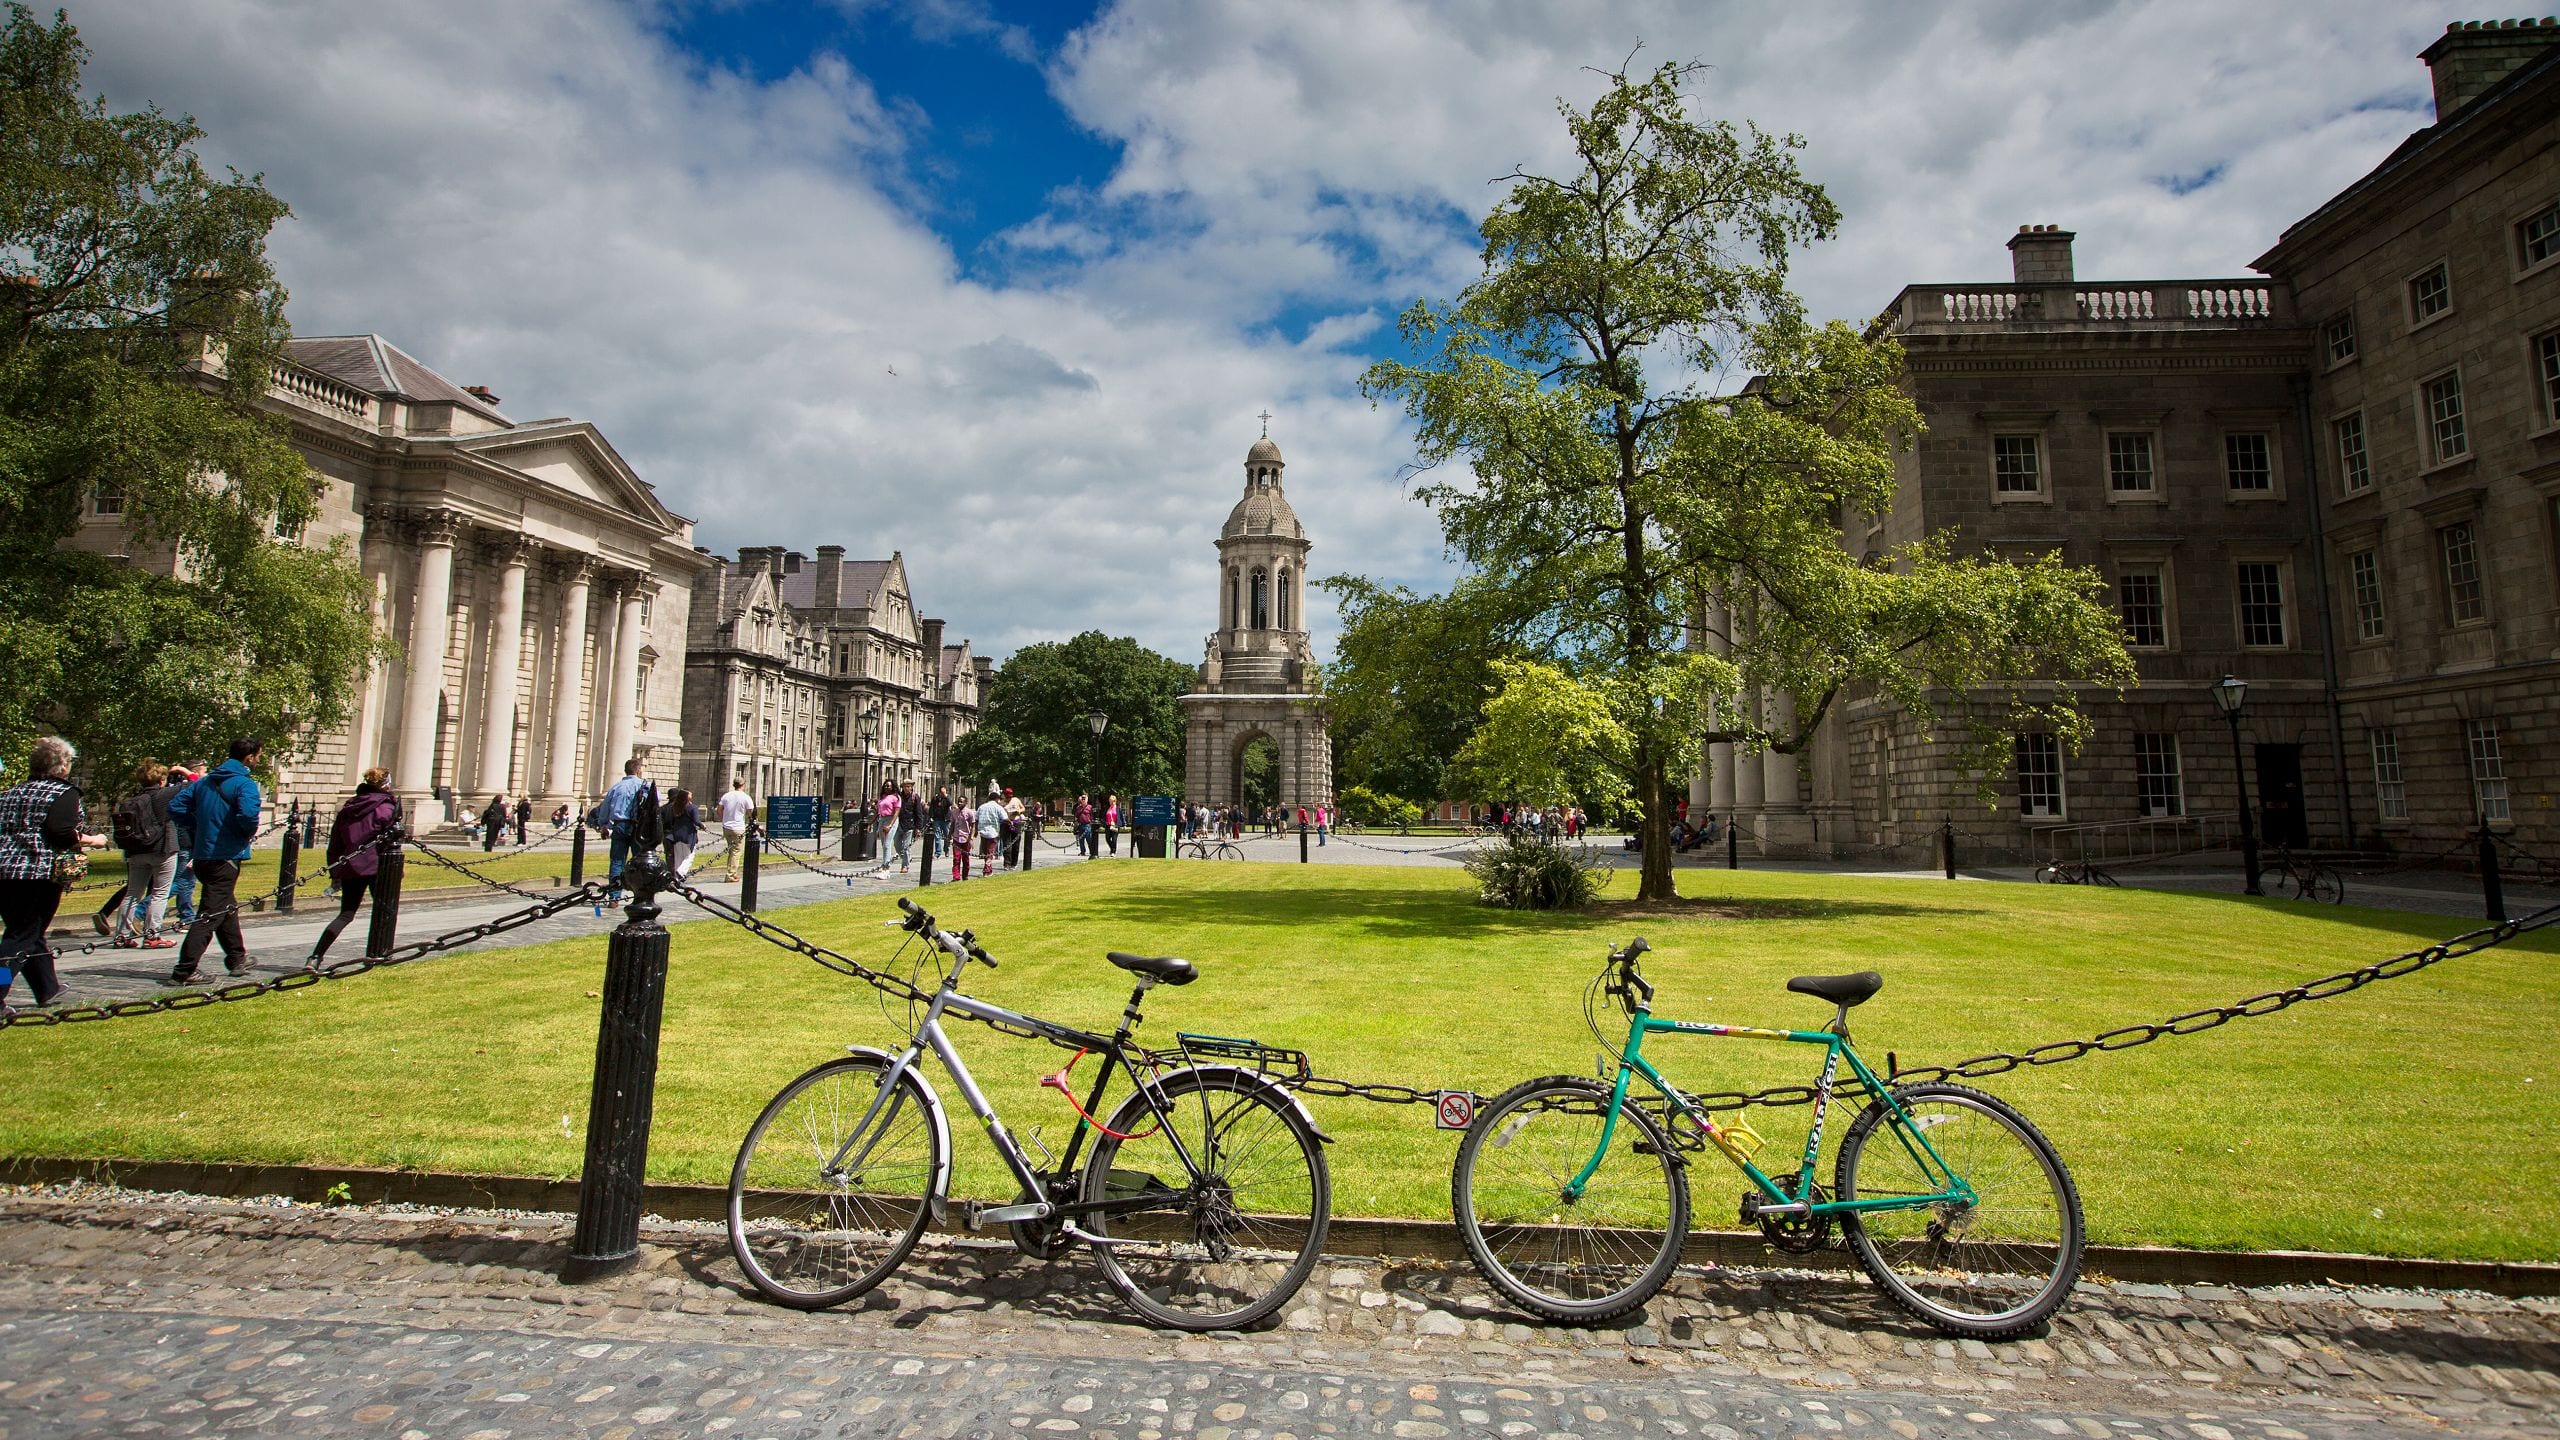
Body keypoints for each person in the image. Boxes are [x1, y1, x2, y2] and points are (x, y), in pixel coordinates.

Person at [0, 736, 110, 1012]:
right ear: (61, 766)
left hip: (5, 872)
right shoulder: (63, 793)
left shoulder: (12, 793)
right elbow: (60, 833)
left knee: (28, 933)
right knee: (18, 938)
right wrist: (92, 840)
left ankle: (48, 988)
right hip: (38, 873)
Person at [165, 737, 265, 984]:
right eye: (258, 756)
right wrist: (242, 833)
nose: (259, 760)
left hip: (203, 856)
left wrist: (198, 825)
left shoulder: (205, 782)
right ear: (249, 757)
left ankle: (237, 958)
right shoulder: (244, 784)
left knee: (226, 907)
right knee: (210, 914)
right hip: (226, 856)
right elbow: (249, 816)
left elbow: (176, 806)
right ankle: (185, 969)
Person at [306, 768, 402, 966]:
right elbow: (391, 840)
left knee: (346, 913)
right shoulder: (386, 808)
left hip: (351, 865)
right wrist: (397, 869)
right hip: (378, 867)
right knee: (385, 910)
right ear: (386, 784)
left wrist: (335, 871)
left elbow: (336, 842)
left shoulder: (349, 807)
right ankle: (381, 953)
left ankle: (315, 956)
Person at [109, 760, 182, 950]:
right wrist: (183, 770)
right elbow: (195, 782)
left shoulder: (131, 800)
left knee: (132, 893)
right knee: (160, 893)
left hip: (137, 850)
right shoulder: (162, 796)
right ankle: (152, 935)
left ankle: (121, 935)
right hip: (162, 848)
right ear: (162, 779)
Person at [596, 757, 648, 895]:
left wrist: (603, 825)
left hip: (619, 825)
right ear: (638, 770)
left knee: (617, 861)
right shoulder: (644, 785)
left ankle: (614, 896)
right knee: (640, 861)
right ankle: (640, 894)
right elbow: (656, 800)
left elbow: (605, 809)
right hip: (638, 827)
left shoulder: (615, 787)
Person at [661, 786, 702, 878]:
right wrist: (702, 826)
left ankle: (674, 876)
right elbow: (696, 821)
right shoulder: (690, 807)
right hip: (686, 835)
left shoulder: (667, 808)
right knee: (688, 856)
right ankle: (680, 872)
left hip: (671, 836)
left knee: (675, 858)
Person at [974, 789, 1007, 877]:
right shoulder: (998, 807)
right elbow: (1005, 818)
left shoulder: (982, 807)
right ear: (997, 799)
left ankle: (989, 870)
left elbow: (976, 819)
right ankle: (986, 870)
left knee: (986, 852)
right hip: (993, 832)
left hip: (983, 832)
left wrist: (976, 830)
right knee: (990, 852)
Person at [891, 782, 919, 871]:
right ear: (902, 787)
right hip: (898, 823)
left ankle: (905, 866)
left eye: (909, 787)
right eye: (905, 787)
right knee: (896, 844)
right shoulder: (898, 796)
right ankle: (906, 858)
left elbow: (918, 813)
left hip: (909, 824)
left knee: (906, 846)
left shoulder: (915, 797)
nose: (907, 788)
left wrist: (918, 827)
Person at [1003, 788, 1026, 868]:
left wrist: (1019, 811)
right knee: (1007, 844)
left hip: (1016, 822)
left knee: (1016, 844)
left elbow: (1023, 808)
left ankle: (1014, 863)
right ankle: (1006, 864)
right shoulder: (1002, 803)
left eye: (1010, 796)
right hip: (1006, 823)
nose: (1009, 798)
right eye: (1007, 797)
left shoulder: (1016, 800)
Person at [1074, 792, 1095, 858]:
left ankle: (1092, 852)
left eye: (1084, 798)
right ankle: (1082, 851)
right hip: (1080, 825)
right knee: (1081, 839)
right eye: (1082, 798)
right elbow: (1076, 816)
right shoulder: (1078, 807)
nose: (1083, 800)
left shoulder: (1090, 807)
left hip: (1087, 825)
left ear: (1087, 799)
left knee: (1089, 839)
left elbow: (1092, 816)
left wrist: (1091, 823)